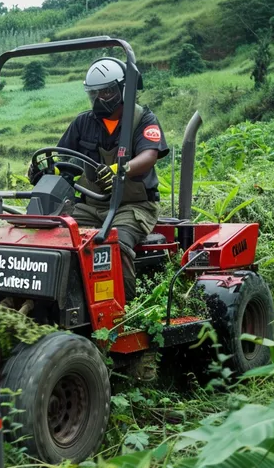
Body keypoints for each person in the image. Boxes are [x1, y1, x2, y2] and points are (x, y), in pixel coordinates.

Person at [27, 57, 169, 302]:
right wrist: (45, 173)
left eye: (106, 92)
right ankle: (60, 300)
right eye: (94, 93)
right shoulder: (83, 123)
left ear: (122, 90)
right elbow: (65, 161)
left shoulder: (142, 119)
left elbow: (149, 155)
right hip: (91, 205)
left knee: (116, 243)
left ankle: (125, 309)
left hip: (132, 206)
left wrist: (117, 170)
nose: (99, 98)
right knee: (52, 234)